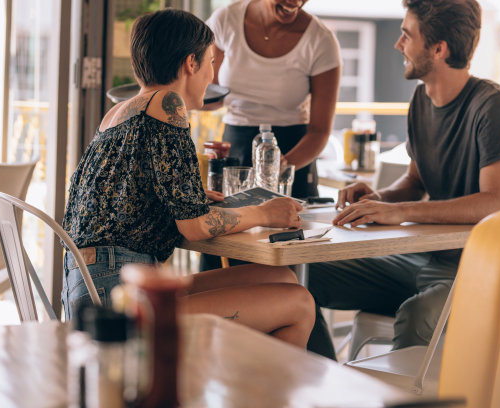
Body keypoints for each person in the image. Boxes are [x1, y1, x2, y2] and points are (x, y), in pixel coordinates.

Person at [62, 9, 314, 348]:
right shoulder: (167, 103)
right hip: (119, 297)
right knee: (299, 305)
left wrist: (190, 199)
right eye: (211, 62)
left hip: (93, 285)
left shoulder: (121, 111)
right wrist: (265, 213)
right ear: (190, 63)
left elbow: (127, 196)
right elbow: (194, 228)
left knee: (282, 278)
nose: (213, 75)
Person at [306, 0, 500, 360]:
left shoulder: (493, 106)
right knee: (304, 278)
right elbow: (414, 182)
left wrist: (402, 210)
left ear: (439, 49)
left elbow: (497, 201)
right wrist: (378, 198)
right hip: (419, 259)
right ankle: (327, 381)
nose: (398, 45)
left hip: (474, 269)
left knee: (417, 315)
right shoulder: (421, 100)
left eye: (407, 35)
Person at [200, 0, 341, 271]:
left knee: (286, 269)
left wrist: (277, 169)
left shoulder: (320, 40)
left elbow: (320, 131)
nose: (296, 2)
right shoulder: (226, 20)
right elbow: (210, 94)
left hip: (293, 155)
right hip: (235, 155)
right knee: (223, 261)